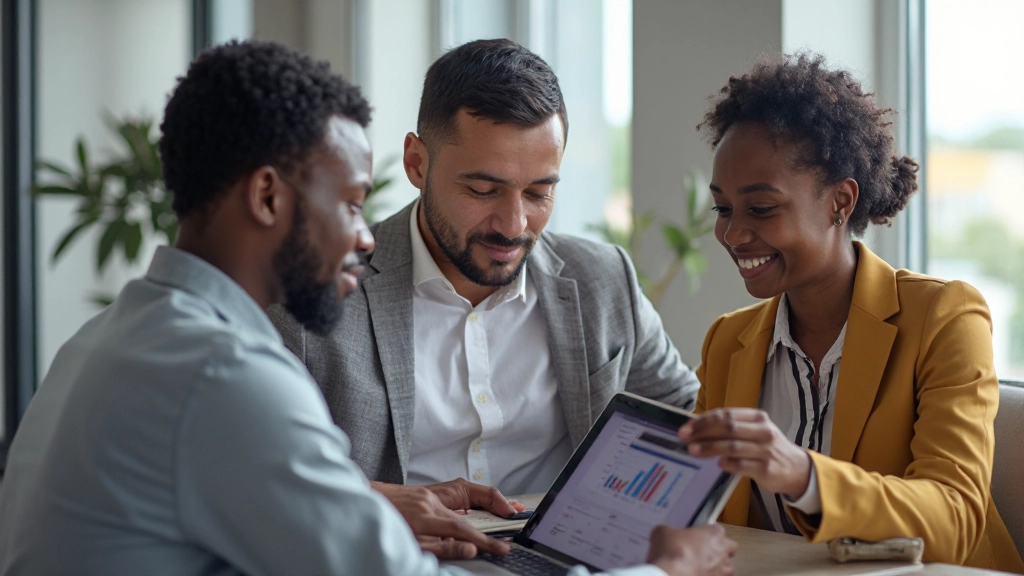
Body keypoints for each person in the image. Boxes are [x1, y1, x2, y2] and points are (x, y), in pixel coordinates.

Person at [0, 40, 736, 576]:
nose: (362, 234)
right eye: (351, 203)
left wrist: (362, 501)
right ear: (266, 197)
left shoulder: (116, 338)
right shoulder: (223, 373)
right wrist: (663, 574)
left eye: (539, 191)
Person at [270, 38, 699, 531]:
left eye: (539, 192)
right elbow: (263, 475)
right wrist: (370, 504)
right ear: (417, 163)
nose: (514, 224)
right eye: (483, 190)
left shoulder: (602, 279)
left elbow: (687, 419)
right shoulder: (315, 292)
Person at [676, 53, 1024, 572]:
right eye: (724, 209)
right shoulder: (729, 341)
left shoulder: (945, 317)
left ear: (840, 201)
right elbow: (698, 510)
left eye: (762, 208)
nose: (733, 234)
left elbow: (954, 519)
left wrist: (803, 476)